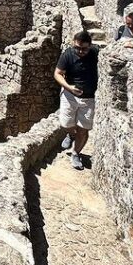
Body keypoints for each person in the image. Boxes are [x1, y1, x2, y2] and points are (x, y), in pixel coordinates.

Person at [55, 31, 99, 171]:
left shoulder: (96, 53)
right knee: (65, 123)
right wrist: (69, 87)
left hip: (89, 99)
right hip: (69, 95)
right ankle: (70, 133)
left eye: (84, 49)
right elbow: (57, 73)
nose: (80, 51)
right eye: (77, 48)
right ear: (73, 44)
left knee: (83, 129)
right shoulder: (68, 54)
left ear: (90, 46)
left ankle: (76, 153)